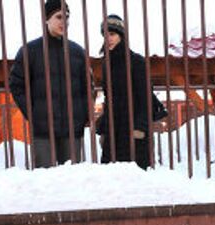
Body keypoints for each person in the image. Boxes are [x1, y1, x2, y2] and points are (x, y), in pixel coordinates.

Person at [9, 0, 92, 168]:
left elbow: (88, 87)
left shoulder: (77, 51)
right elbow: (16, 85)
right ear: (47, 19)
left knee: (71, 178)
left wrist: (83, 115)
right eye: (59, 17)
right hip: (43, 129)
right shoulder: (30, 51)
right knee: (44, 180)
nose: (64, 22)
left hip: (72, 128)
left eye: (67, 18)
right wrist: (33, 112)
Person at [96, 14, 152, 169]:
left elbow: (145, 97)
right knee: (111, 179)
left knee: (134, 177)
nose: (108, 38)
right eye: (105, 34)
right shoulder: (106, 63)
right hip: (113, 128)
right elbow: (109, 98)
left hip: (132, 128)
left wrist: (140, 128)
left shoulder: (136, 62)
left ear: (121, 35)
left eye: (112, 34)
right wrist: (104, 130)